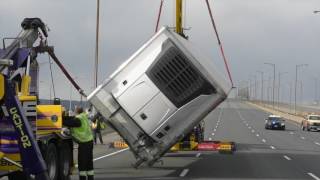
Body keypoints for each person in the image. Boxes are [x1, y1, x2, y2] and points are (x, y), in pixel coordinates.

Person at [63, 106, 94, 180]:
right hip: (89, 141)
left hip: (84, 143)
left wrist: (59, 119)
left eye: (75, 110)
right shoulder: (83, 116)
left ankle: (82, 178)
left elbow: (69, 122)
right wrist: (64, 117)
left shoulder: (78, 119)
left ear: (76, 111)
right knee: (89, 162)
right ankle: (90, 177)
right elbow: (72, 119)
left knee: (82, 162)